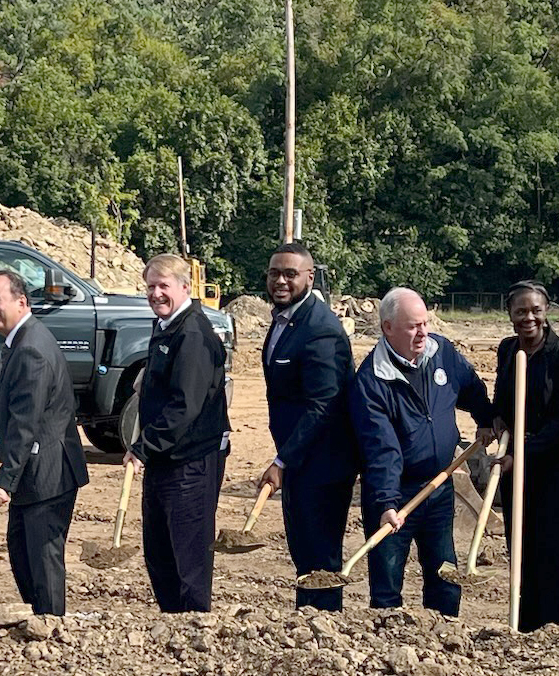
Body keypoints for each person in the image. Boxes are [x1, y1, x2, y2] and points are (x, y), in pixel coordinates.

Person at [350, 287, 496, 616]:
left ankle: (446, 640)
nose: (423, 332)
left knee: (445, 575)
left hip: (439, 485)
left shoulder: (441, 352)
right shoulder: (372, 381)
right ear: (387, 327)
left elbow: (470, 387)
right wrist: (387, 502)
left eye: (425, 323)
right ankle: (389, 644)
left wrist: (486, 419)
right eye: (413, 326)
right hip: (395, 494)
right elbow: (380, 448)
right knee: (387, 584)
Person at [256, 242, 358, 612]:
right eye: (274, 273)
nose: (280, 281)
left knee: (320, 560)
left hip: (323, 467)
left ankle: (324, 629)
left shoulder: (321, 330)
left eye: (289, 274)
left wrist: (283, 461)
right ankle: (309, 624)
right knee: (304, 555)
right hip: (302, 463)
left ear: (310, 277)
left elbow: (323, 406)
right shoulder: (286, 319)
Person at [0, 269, 88, 616]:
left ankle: (52, 633)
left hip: (48, 475)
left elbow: (26, 424)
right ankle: (41, 625)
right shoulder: (20, 341)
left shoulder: (31, 350)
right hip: (36, 473)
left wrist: (4, 481)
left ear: (21, 302)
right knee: (22, 556)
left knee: (42, 564)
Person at [132, 254, 231, 613]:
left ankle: (193, 632)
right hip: (165, 460)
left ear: (185, 287)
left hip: (190, 462)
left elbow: (184, 407)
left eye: (164, 286)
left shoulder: (192, 333)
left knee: (188, 556)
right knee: (160, 553)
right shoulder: (166, 326)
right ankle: (171, 623)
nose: (156, 293)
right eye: (151, 287)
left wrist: (143, 446)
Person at [490, 280, 559, 632]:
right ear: (510, 315)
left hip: (555, 471)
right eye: (521, 311)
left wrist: (524, 452)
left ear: (546, 312)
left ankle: (553, 628)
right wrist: (495, 421)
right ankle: (524, 625)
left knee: (550, 550)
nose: (528, 317)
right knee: (521, 547)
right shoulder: (506, 350)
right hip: (516, 468)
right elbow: (501, 399)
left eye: (535, 310)